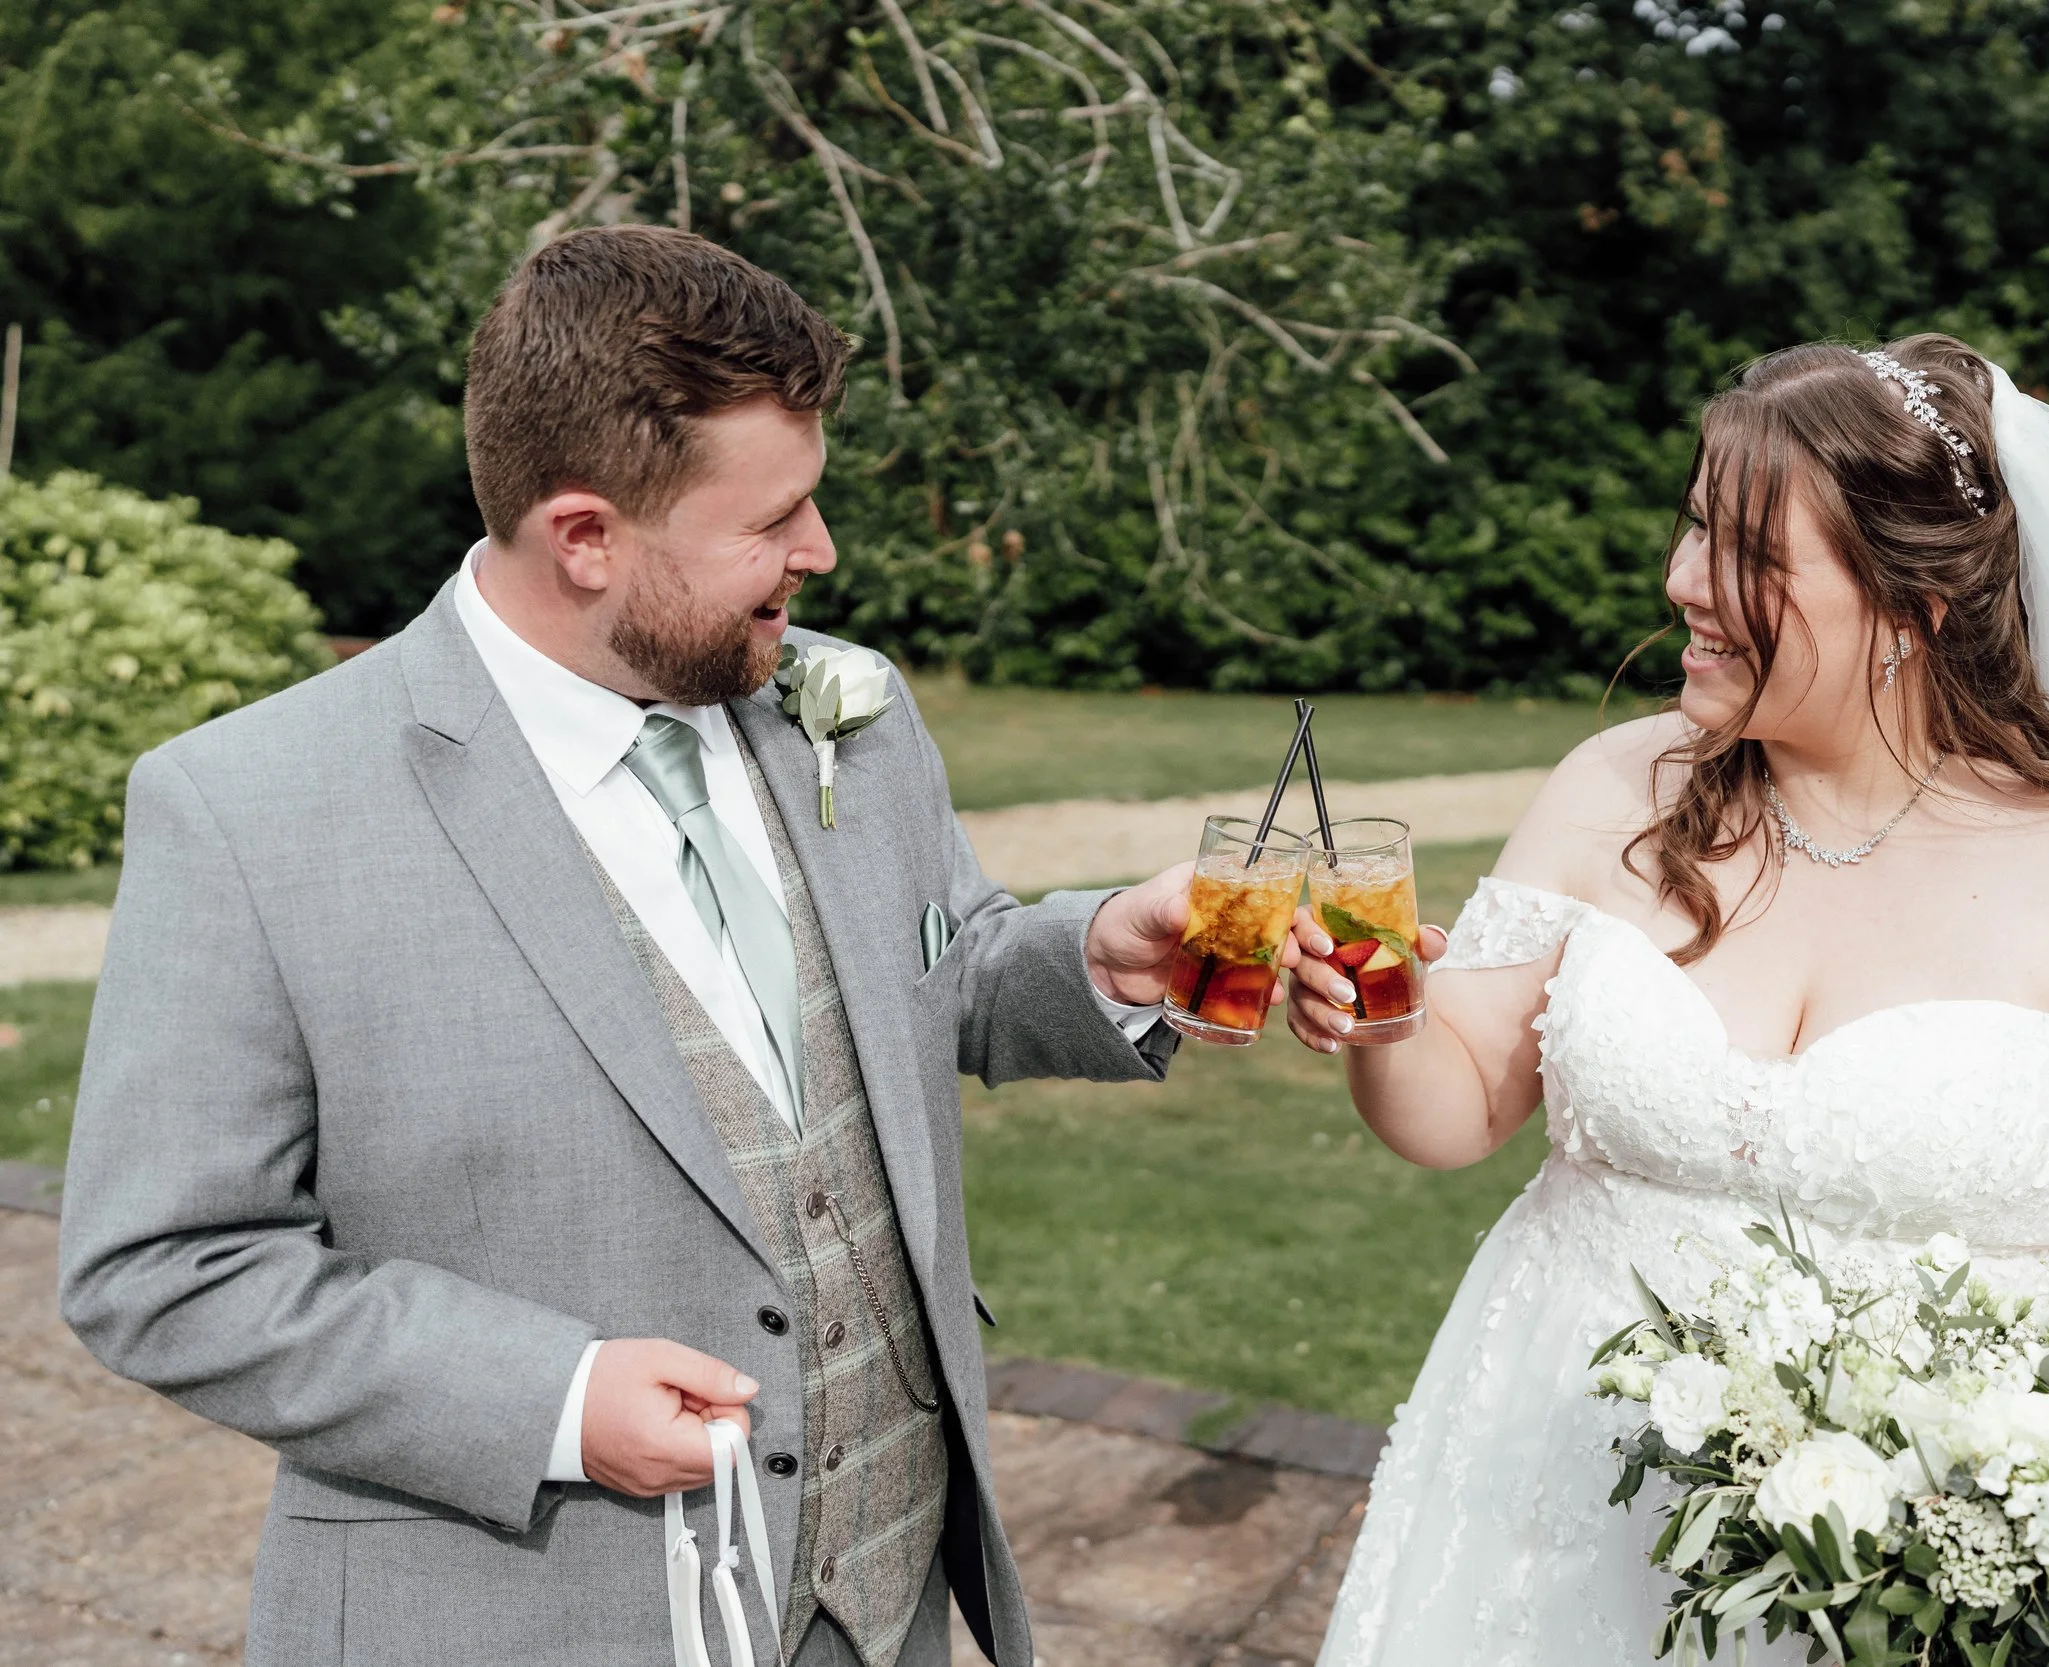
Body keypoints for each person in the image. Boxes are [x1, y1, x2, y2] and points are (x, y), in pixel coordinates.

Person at [57, 225, 1196, 1667]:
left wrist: (1097, 954)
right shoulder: (247, 812)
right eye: (772, 521)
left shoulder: (843, 706)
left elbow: (935, 966)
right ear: (586, 535)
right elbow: (164, 1264)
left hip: (888, 1597)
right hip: (529, 1620)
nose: (820, 553)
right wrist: (550, 1394)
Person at [1279, 335, 2049, 1665]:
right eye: (1695, 526)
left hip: (1887, 1590)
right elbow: (1457, 1102)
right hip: (1538, 1486)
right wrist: (1385, 1018)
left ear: (1913, 604)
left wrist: (1960, 1551)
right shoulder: (1618, 785)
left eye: (1748, 556)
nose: (1681, 584)